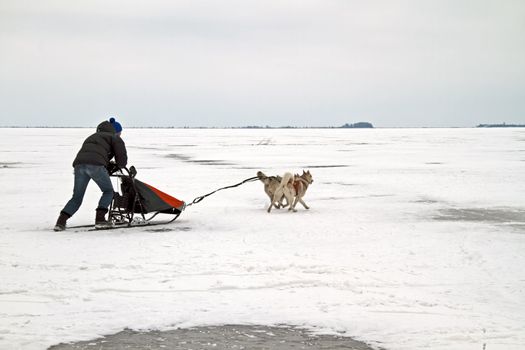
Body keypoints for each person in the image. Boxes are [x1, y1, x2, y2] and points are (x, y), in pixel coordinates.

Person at [54, 117, 128, 231]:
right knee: (108, 192)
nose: (120, 135)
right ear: (116, 132)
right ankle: (100, 220)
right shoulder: (114, 137)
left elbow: (95, 152)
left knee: (77, 197)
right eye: (120, 133)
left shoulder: (92, 137)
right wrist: (119, 166)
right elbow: (121, 157)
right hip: (95, 166)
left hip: (79, 165)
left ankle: (61, 221)